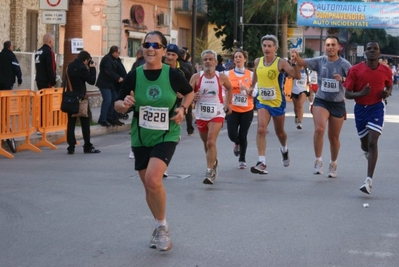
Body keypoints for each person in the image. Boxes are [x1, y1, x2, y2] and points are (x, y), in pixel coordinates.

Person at [114, 31, 194, 251]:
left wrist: (183, 108)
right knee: (149, 187)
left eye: (156, 45)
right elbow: (117, 103)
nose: (150, 48)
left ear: (163, 50)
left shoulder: (173, 75)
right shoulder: (134, 74)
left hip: (166, 133)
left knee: (153, 179)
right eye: (147, 44)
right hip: (140, 135)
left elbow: (189, 92)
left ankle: (162, 228)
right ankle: (160, 225)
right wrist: (125, 103)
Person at [292, 36, 351, 178]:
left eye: (333, 45)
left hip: (337, 103)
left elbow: (354, 80)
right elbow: (301, 62)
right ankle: (318, 161)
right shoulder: (320, 61)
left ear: (338, 47)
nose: (330, 47)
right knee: (319, 129)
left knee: (333, 137)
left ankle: (333, 163)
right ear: (324, 47)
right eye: (328, 45)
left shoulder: (344, 64)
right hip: (321, 100)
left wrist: (342, 79)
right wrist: (296, 56)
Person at [343, 41, 392, 194]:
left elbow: (389, 85)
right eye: (369, 49)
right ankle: (366, 152)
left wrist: (387, 93)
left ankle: (368, 180)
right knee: (365, 145)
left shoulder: (386, 70)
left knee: (372, 142)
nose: (372, 51)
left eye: (375, 49)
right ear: (365, 52)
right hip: (360, 110)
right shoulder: (355, 70)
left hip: (377, 107)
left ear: (379, 52)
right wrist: (360, 93)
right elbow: (347, 93)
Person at [250, 34, 300, 175]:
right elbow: (255, 74)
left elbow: (297, 76)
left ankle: (284, 149)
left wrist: (295, 62)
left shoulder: (281, 63)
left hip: (277, 102)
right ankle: (262, 162)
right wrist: (251, 86)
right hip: (262, 101)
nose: (266, 48)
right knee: (261, 129)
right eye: (264, 46)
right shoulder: (258, 61)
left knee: (279, 132)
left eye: (269, 46)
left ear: (275, 48)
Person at [190, 50, 233, 184]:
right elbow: (187, 93)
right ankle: (213, 161)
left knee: (210, 141)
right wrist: (193, 97)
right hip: (201, 114)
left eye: (210, 59)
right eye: (205, 60)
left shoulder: (221, 77)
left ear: (215, 62)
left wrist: (228, 104)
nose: (208, 61)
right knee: (206, 143)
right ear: (202, 62)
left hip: (217, 113)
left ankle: (209, 171)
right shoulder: (196, 77)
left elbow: (230, 88)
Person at [65, 51, 100, 155]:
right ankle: (87, 146)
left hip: (70, 98)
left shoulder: (70, 66)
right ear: (86, 60)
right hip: (81, 99)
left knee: (71, 123)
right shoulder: (82, 68)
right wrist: (93, 68)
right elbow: (91, 81)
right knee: (85, 123)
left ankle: (71, 147)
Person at [225, 49, 254, 169]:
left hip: (247, 109)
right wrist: (225, 102)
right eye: (235, 57)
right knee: (232, 134)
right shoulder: (228, 74)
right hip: (232, 108)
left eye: (240, 57)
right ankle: (236, 142)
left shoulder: (251, 75)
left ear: (245, 59)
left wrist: (247, 90)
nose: (237, 59)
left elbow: (255, 92)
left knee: (243, 134)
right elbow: (223, 89)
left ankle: (242, 159)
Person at [164, 43, 194, 136]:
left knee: (181, 114)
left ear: (177, 56)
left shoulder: (183, 71)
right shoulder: (159, 67)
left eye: (173, 55)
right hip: (163, 99)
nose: (170, 57)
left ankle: (187, 130)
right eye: (168, 54)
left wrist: (183, 93)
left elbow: (189, 86)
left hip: (179, 100)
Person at [96, 46, 124, 127]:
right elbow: (108, 71)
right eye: (118, 53)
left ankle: (110, 118)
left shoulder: (114, 60)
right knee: (107, 100)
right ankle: (102, 119)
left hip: (110, 84)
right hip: (104, 84)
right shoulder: (107, 59)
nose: (119, 54)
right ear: (114, 52)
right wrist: (118, 78)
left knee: (114, 100)